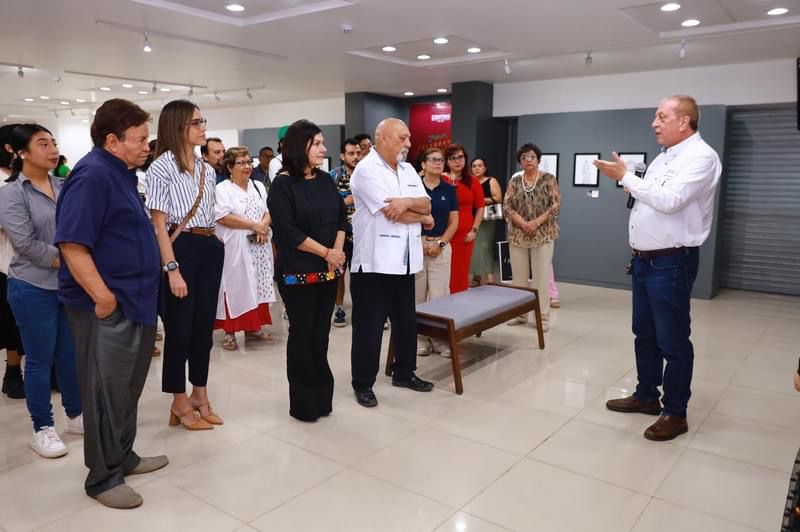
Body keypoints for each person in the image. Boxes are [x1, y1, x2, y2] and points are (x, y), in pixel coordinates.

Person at [56, 98, 169, 509]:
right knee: (105, 393)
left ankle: (123, 455)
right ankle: (102, 478)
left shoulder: (120, 172)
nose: (146, 146)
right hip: (107, 306)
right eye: (139, 139)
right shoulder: (91, 176)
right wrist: (103, 298)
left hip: (135, 300)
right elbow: (72, 243)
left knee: (127, 389)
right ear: (112, 140)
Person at [596, 95, 722, 442]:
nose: (654, 123)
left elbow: (670, 201)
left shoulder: (702, 157)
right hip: (644, 260)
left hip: (672, 262)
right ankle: (647, 395)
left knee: (673, 340)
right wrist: (625, 178)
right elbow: (650, 195)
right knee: (645, 333)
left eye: (660, 117)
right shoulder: (665, 157)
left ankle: (675, 412)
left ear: (684, 121)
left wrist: (628, 177)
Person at [0, 124, 82, 458]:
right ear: (20, 153)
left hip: (66, 284)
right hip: (32, 286)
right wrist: (74, 261)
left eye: (53, 143)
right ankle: (42, 428)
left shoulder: (63, 186)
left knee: (68, 355)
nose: (52, 149)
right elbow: (26, 244)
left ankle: (76, 416)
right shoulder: (11, 193)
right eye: (42, 143)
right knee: (38, 359)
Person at [146, 100, 224, 431]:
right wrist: (171, 267)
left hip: (209, 246)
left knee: (204, 328)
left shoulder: (208, 168)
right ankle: (178, 398)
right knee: (179, 329)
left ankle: (200, 394)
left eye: (202, 121)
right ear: (179, 126)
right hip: (181, 247)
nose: (203, 126)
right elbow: (159, 225)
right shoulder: (160, 168)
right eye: (197, 122)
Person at [350, 118, 435, 408]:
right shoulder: (365, 171)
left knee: (405, 321)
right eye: (403, 138)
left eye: (409, 138)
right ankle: (363, 383)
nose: (409, 144)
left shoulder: (409, 169)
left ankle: (404, 372)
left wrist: (410, 204)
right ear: (382, 138)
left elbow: (427, 203)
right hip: (374, 264)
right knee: (369, 327)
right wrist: (420, 215)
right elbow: (391, 212)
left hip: (405, 261)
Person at [267, 120, 347, 422]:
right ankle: (303, 404)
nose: (324, 149)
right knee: (303, 336)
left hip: (328, 271)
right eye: (317, 143)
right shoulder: (282, 185)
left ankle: (322, 398)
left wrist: (336, 254)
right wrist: (327, 252)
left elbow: (342, 218)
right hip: (297, 273)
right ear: (300, 146)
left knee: (321, 336)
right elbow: (287, 232)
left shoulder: (326, 180)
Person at [214, 146, 275, 351]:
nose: (247, 166)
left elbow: (268, 211)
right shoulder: (222, 189)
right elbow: (223, 216)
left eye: (249, 162)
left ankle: (254, 327)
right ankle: (230, 331)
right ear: (230, 167)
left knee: (258, 283)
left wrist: (263, 226)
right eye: (241, 163)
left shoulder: (258, 185)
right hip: (236, 246)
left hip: (259, 244)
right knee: (235, 285)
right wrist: (253, 225)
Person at [503, 143, 560, 332]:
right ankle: (520, 314)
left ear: (538, 159)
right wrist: (522, 223)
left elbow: (555, 205)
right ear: (520, 162)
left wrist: (535, 223)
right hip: (518, 235)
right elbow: (507, 206)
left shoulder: (549, 179)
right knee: (518, 278)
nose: (529, 160)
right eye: (524, 157)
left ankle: (542, 317)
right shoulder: (515, 181)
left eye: (532, 157)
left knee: (541, 278)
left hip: (542, 234)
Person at [416, 147, 458, 358]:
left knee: (440, 295)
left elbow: (454, 222)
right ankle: (421, 339)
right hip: (417, 246)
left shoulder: (448, 189)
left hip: (441, 246)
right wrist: (420, 244)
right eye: (433, 160)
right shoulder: (413, 187)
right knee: (418, 296)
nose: (438, 163)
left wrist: (440, 244)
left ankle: (441, 339)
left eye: (441, 160)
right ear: (423, 164)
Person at [0, 124, 25, 399]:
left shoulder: (27, 178)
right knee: (11, 323)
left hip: (34, 264)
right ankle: (12, 373)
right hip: (7, 263)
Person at [443, 144, 484, 294]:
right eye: (453, 158)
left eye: (460, 157)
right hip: (444, 233)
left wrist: (474, 230)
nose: (457, 161)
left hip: (465, 235)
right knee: (442, 274)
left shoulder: (472, 181)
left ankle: (458, 310)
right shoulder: (441, 179)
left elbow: (480, 207)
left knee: (460, 273)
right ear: (447, 161)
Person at [329, 138, 360, 327]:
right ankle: (339, 308)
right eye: (351, 153)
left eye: (358, 153)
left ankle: (361, 309)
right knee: (339, 272)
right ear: (342, 156)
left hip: (363, 234)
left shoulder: (366, 175)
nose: (355, 157)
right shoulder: (332, 176)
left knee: (360, 275)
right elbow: (326, 205)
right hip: (340, 233)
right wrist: (344, 202)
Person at [469, 157, 502, 286]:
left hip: (486, 219)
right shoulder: (469, 181)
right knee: (474, 248)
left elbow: (498, 198)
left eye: (480, 165)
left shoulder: (491, 181)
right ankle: (477, 277)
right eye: (474, 166)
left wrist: (479, 199)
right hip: (472, 218)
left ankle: (490, 278)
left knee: (484, 247)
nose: (477, 168)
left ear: (485, 168)